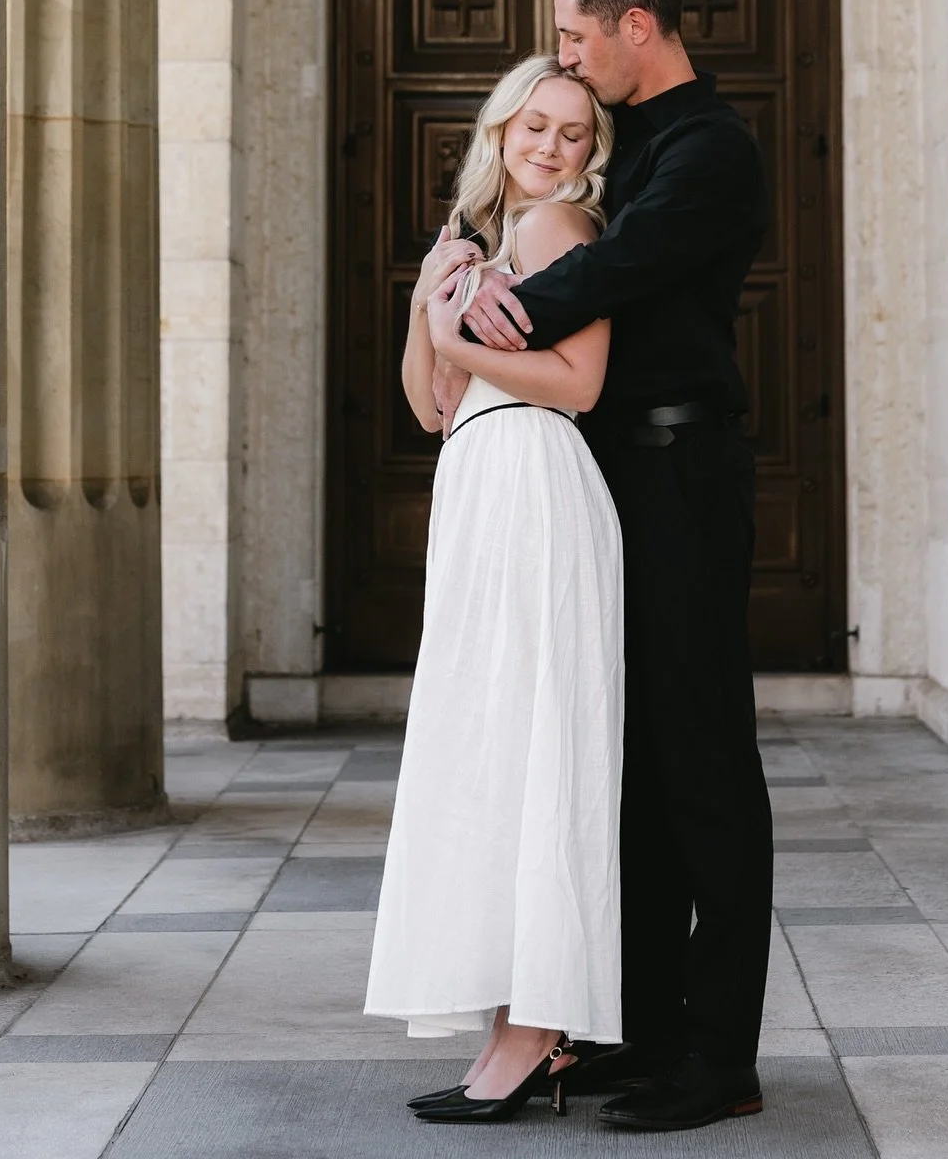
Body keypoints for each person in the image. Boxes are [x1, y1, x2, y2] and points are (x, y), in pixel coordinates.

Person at [460, 0, 774, 1134]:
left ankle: (720, 1057)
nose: (566, 59)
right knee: (625, 763)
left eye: (578, 34)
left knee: (702, 765)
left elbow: (617, 271)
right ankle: (639, 1033)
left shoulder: (712, 151)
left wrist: (480, 316)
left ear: (636, 25)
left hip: (683, 473)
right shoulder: (618, 138)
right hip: (604, 482)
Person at [364, 54, 625, 1126]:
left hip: (535, 475)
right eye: (536, 126)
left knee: (533, 743)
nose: (552, 147)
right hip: (477, 475)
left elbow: (581, 384)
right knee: (489, 743)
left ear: (589, 154)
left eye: (574, 133)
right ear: (501, 129)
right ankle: (515, 1020)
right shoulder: (477, 242)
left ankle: (538, 1027)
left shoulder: (564, 232)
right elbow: (431, 406)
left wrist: (449, 330)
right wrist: (431, 304)